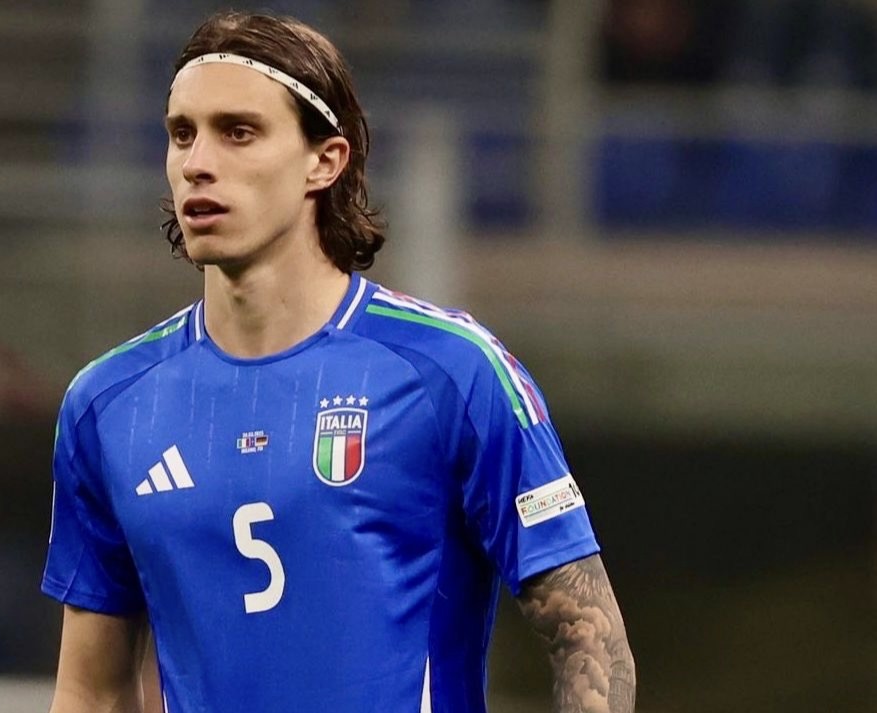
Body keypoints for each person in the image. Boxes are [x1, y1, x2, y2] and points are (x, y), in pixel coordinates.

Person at [43, 11, 635, 713]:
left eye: (238, 132)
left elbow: (589, 641)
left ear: (324, 160)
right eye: (181, 133)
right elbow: (91, 691)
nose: (198, 162)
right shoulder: (111, 404)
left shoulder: (451, 372)